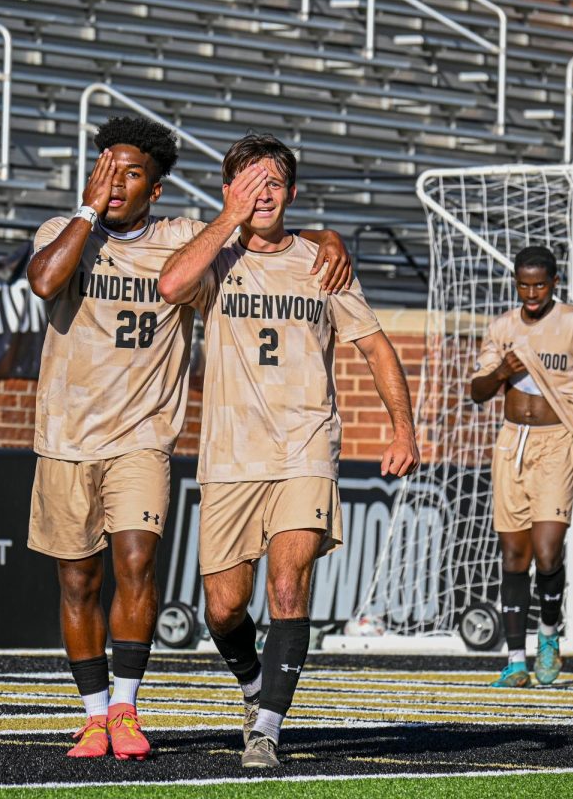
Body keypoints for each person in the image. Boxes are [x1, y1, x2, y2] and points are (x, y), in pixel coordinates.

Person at [26, 117, 353, 760]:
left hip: (145, 435)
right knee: (78, 583)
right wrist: (87, 211)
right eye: (106, 169)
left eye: (131, 174)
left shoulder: (182, 238)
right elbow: (43, 280)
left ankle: (124, 708)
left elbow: (258, 231)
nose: (114, 183)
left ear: (156, 188)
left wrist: (325, 236)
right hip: (64, 433)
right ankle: (93, 715)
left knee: (137, 563)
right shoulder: (62, 234)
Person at [158, 133, 420, 768]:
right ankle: (255, 687)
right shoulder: (214, 255)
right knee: (222, 608)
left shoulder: (323, 263)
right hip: (228, 456)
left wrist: (403, 428)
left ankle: (267, 730)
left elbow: (376, 347)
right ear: (227, 191)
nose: (262, 193)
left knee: (287, 583)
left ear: (293, 193)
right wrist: (230, 218)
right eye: (249, 182)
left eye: (273, 182)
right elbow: (169, 285)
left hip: (304, 448)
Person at [469, 246, 573, 688]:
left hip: (557, 441)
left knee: (547, 551)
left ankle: (550, 635)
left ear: (554, 282)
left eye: (540, 284)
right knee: (514, 555)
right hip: (510, 444)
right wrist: (502, 370)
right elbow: (478, 390)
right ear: (516, 283)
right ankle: (516, 660)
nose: (532, 292)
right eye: (524, 284)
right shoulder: (503, 327)